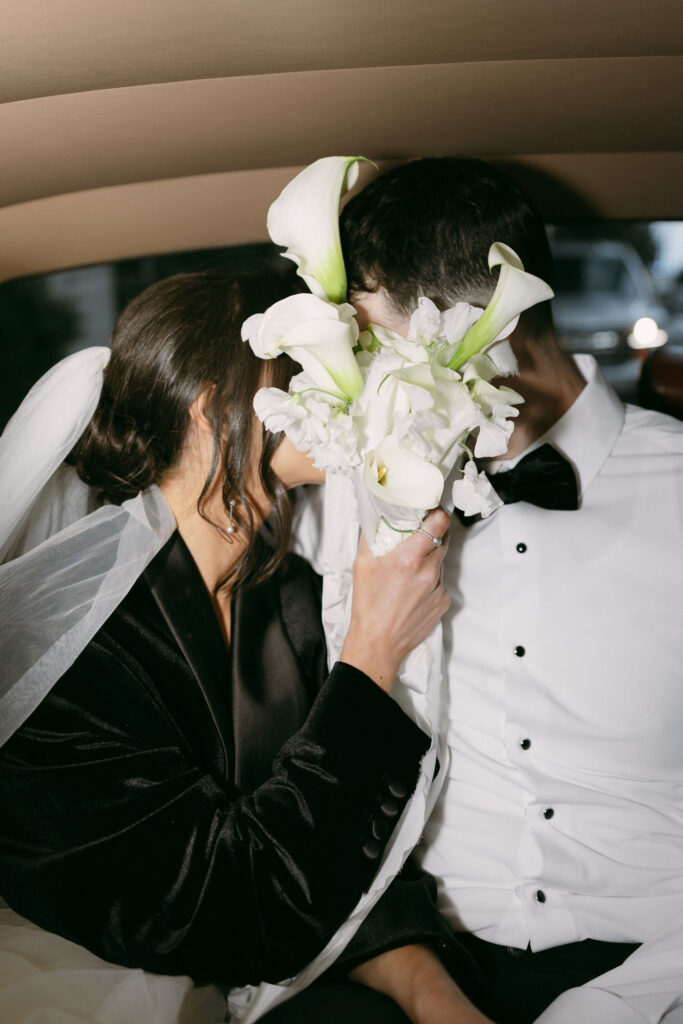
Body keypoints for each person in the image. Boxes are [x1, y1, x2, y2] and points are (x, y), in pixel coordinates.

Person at [277, 158, 683, 1024]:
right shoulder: (356, 488)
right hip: (415, 954)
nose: (358, 377)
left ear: (477, 329)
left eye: (369, 341)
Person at [0, 269, 452, 1021]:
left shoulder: (288, 593)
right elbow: (222, 910)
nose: (355, 395)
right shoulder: (61, 648)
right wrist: (371, 655)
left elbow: (343, 854)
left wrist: (436, 999)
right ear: (217, 410)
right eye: (320, 373)